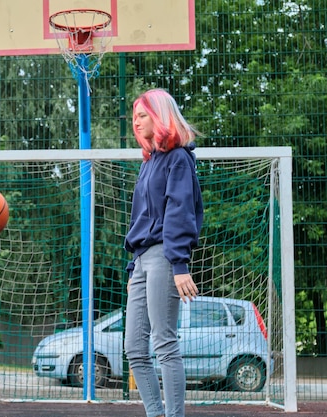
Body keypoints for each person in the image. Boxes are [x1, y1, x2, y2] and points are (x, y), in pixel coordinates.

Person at [123, 88, 204, 417]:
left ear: (160, 116)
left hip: (165, 257)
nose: (136, 122)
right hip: (142, 261)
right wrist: (133, 268)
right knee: (134, 349)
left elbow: (179, 212)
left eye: (142, 115)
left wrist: (179, 264)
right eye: (134, 117)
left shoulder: (178, 158)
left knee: (164, 343)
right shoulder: (149, 163)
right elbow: (141, 219)